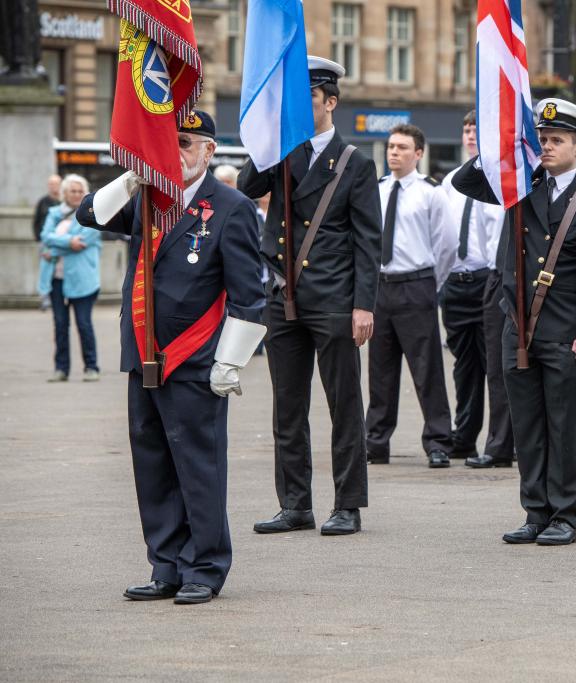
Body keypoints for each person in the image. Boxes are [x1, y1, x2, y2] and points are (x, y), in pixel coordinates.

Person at [77, 110, 266, 604]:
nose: (175, 151)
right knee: (153, 465)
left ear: (208, 151)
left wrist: (230, 361)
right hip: (143, 354)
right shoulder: (146, 199)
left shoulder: (231, 207)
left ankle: (205, 566)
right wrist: (133, 175)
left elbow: (249, 293)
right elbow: (88, 215)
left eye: (184, 142)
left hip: (195, 359)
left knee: (198, 467)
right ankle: (166, 565)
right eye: (167, 141)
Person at [452, 98, 576, 546]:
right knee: (526, 423)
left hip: (566, 329)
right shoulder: (519, 185)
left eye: (555, 140)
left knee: (564, 425)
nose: (545, 146)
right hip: (519, 327)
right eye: (541, 139)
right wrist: (506, 148)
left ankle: (564, 514)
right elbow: (464, 180)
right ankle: (535, 510)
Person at [241, 56, 382, 537]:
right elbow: (246, 187)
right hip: (283, 297)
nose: (300, 108)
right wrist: (269, 138)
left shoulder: (355, 164)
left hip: (335, 299)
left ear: (330, 102)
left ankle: (348, 504)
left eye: (309, 100)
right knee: (287, 406)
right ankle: (295, 503)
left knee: (343, 404)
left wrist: (365, 305)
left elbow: (368, 240)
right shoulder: (281, 152)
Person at [365, 123, 456, 468]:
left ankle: (438, 441)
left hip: (416, 285)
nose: (394, 153)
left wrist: (429, 285)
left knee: (426, 368)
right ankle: (376, 441)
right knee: (380, 370)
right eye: (391, 146)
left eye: (402, 147)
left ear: (418, 154)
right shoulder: (377, 190)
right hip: (380, 287)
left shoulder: (431, 193)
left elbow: (446, 245)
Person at [440, 111, 503, 463]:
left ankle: (498, 441)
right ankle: (464, 436)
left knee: (494, 364)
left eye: (476, 129)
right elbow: (443, 235)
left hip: (486, 278)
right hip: (457, 281)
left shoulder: (498, 179)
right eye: (466, 129)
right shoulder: (451, 180)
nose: (470, 135)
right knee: (464, 366)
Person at [38, 174, 101, 382]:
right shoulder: (54, 213)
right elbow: (45, 236)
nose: (76, 194)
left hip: (83, 280)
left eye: (80, 191)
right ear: (64, 193)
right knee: (60, 325)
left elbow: (82, 241)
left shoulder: (93, 215)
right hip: (56, 279)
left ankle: (92, 367)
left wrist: (54, 249)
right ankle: (61, 369)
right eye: (72, 191)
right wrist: (66, 242)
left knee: (84, 324)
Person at [33, 173, 61, 241]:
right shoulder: (42, 202)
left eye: (56, 184)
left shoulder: (65, 201)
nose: (54, 186)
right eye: (51, 184)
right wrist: (39, 238)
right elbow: (36, 221)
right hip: (45, 239)